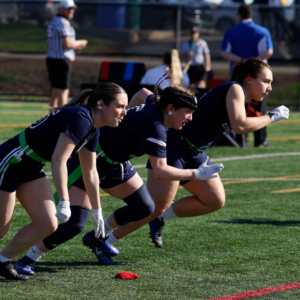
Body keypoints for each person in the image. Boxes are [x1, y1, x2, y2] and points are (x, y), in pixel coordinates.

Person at [15, 76, 224, 272]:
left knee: (146, 207)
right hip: (91, 161)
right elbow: (160, 172)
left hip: (116, 163)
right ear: (170, 108)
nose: (190, 117)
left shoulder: (157, 105)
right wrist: (197, 173)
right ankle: (29, 258)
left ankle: (98, 238)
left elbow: (143, 93)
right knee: (75, 222)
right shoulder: (155, 126)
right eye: (187, 111)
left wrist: (125, 117)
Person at [89, 58, 288, 254]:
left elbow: (143, 94)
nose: (269, 87)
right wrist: (271, 117)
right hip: (175, 144)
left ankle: (161, 218)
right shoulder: (236, 88)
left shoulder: (239, 93)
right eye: (266, 81)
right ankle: (104, 239)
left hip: (194, 149)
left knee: (214, 199)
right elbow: (240, 125)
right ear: (249, 79)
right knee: (153, 207)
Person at [0, 82, 127, 280]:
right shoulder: (81, 117)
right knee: (1, 226)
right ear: (101, 104)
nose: (124, 112)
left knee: (47, 224)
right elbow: (60, 159)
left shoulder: (94, 128)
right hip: (13, 160)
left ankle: (2, 260)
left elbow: (91, 172)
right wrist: (65, 202)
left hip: (32, 165)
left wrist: (97, 211)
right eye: (120, 106)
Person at [221, 4, 273, 148]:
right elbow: (268, 51)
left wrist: (241, 61)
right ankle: (260, 140)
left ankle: (239, 140)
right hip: (258, 77)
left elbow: (224, 52)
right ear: (252, 15)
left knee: (237, 107)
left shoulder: (231, 32)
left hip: (238, 76)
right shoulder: (262, 31)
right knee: (259, 109)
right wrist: (253, 61)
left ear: (239, 16)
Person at [46, 0, 88, 112]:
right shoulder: (63, 23)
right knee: (63, 91)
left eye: (72, 8)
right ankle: (61, 119)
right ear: (61, 9)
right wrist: (81, 42)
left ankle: (51, 118)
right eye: (69, 8)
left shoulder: (54, 21)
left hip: (52, 58)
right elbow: (67, 44)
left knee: (55, 91)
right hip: (61, 60)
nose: (72, 11)